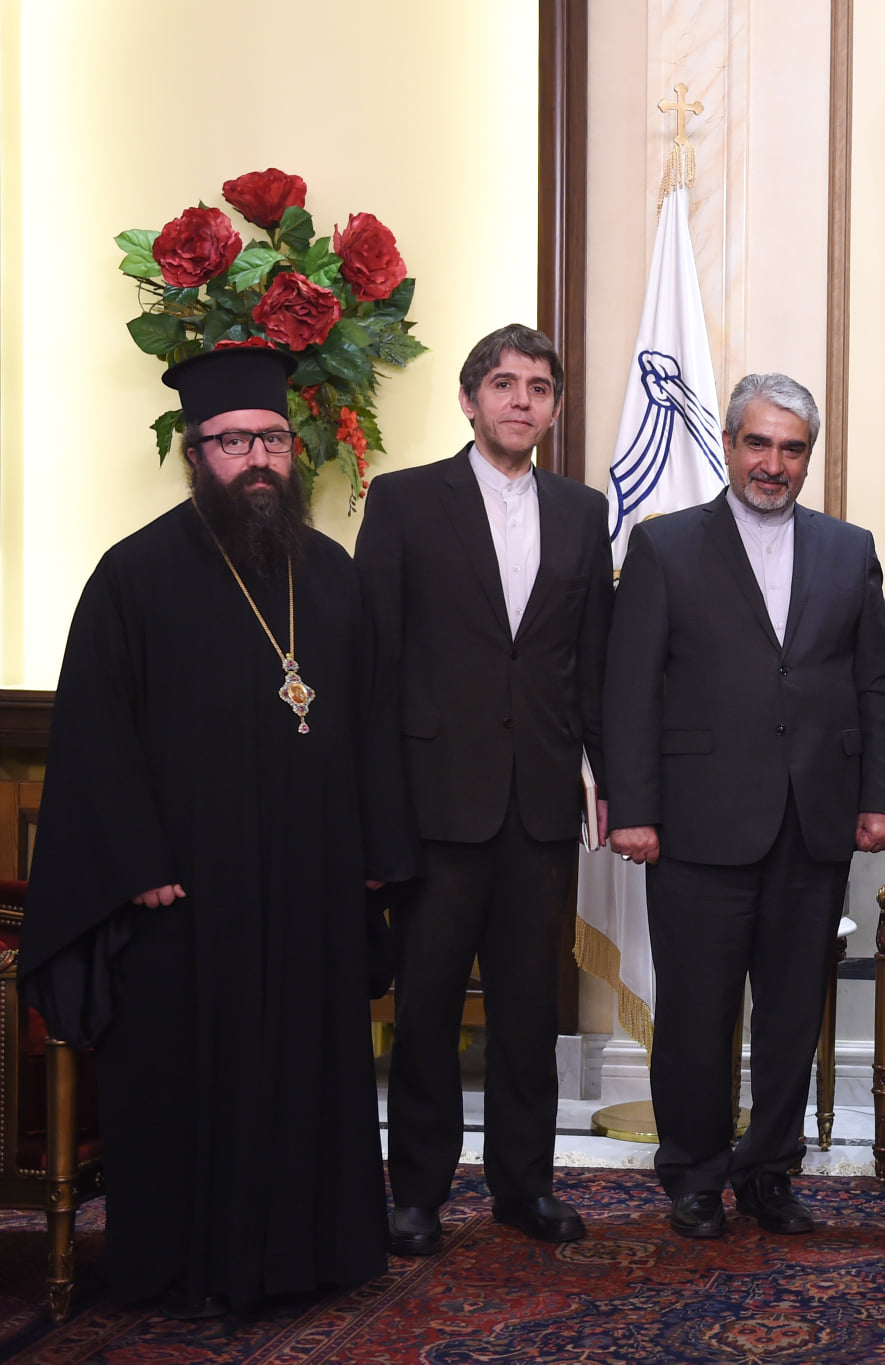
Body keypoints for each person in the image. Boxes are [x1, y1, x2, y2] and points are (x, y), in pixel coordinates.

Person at [19, 346, 408, 1316]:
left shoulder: (332, 576)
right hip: (189, 894)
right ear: (195, 454)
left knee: (308, 1073)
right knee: (194, 1076)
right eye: (234, 442)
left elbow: (372, 720)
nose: (258, 459)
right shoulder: (134, 575)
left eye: (272, 438)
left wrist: (375, 853)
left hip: (314, 885)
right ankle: (185, 1265)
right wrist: (136, 859)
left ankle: (316, 1253)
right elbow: (95, 731)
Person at [603, 373, 885, 1240]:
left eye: (792, 448)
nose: (773, 463)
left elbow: (877, 684)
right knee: (696, 1014)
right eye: (759, 443)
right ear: (730, 444)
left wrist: (882, 795)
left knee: (790, 1016)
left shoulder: (849, 549)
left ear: (809, 457)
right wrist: (634, 809)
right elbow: (631, 690)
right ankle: (695, 1174)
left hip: (815, 821)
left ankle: (769, 1172)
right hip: (697, 823)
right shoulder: (665, 546)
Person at [355, 324, 614, 1255]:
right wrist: (374, 809)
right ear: (469, 399)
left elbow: (594, 664)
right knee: (426, 1008)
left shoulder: (583, 511)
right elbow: (374, 663)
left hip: (541, 802)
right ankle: (417, 1194)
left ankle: (524, 1186)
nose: (520, 400)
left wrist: (610, 781)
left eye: (538, 387)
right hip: (434, 804)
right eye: (503, 384)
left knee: (528, 1011)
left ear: (554, 408)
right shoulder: (403, 500)